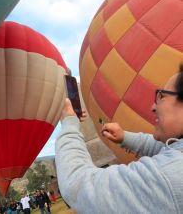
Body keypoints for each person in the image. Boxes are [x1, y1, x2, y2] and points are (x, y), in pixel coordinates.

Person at [55, 64, 183, 213]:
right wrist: (124, 137)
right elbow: (167, 148)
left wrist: (69, 123)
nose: (153, 107)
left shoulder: (167, 178)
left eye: (161, 96)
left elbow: (77, 185)